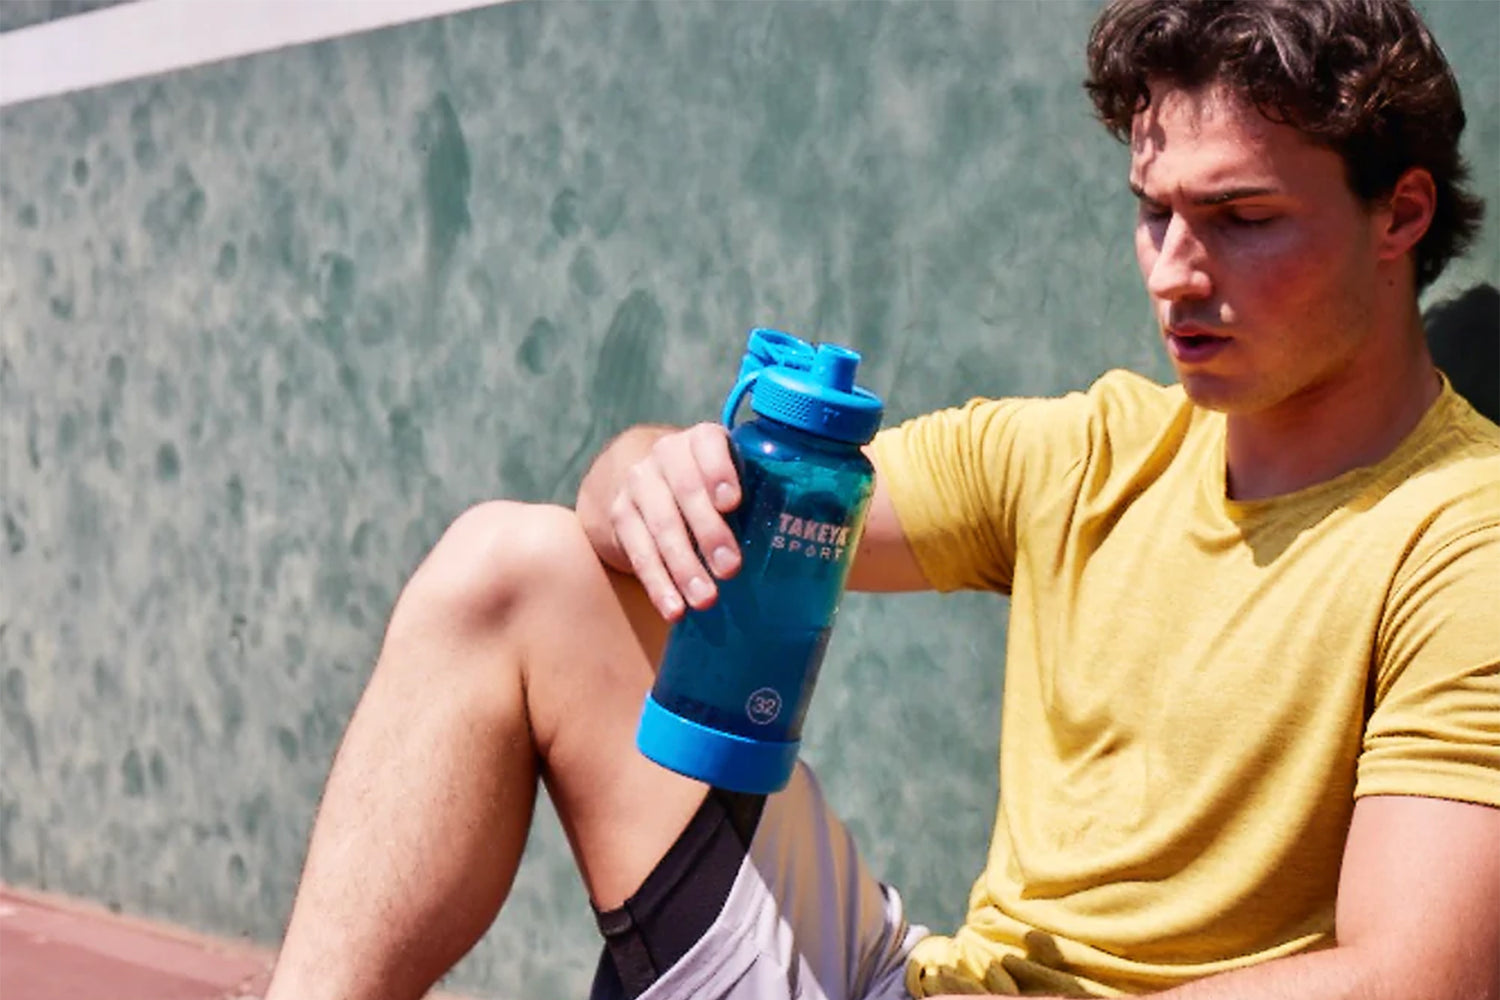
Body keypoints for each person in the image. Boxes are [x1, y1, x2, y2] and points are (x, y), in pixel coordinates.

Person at [264, 0, 1500, 997]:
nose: (1175, 273)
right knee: (509, 566)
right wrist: (647, 476)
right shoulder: (1091, 449)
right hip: (910, 980)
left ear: (1399, 213)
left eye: (1241, 218)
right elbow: (692, 507)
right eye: (1154, 213)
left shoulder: (1462, 533)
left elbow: (1417, 975)